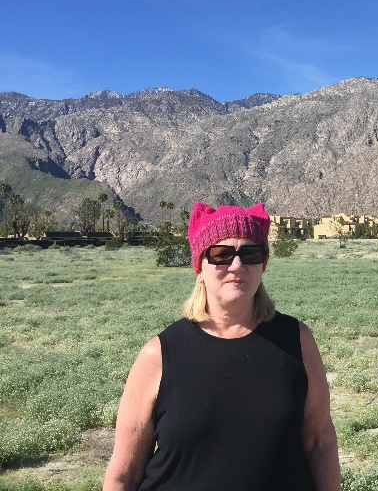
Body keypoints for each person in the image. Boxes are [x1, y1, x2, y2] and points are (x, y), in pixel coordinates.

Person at [103, 202, 340, 491]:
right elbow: (124, 473)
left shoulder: (297, 340)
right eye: (221, 254)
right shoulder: (160, 354)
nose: (236, 265)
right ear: (199, 267)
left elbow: (319, 441)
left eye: (250, 253)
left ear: (263, 264)